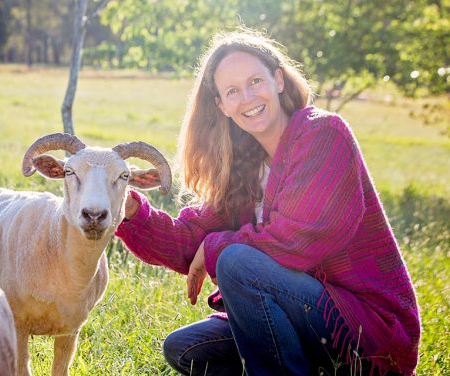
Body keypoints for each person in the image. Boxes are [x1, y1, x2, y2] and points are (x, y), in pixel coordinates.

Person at [115, 29, 420, 375]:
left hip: (368, 329)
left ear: (277, 79)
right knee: (187, 349)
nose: (246, 97)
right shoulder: (245, 167)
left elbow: (298, 238)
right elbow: (189, 242)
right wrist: (128, 209)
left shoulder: (324, 134)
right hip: (306, 319)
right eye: (232, 91)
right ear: (222, 106)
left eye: (255, 81)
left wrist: (216, 248)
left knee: (235, 261)